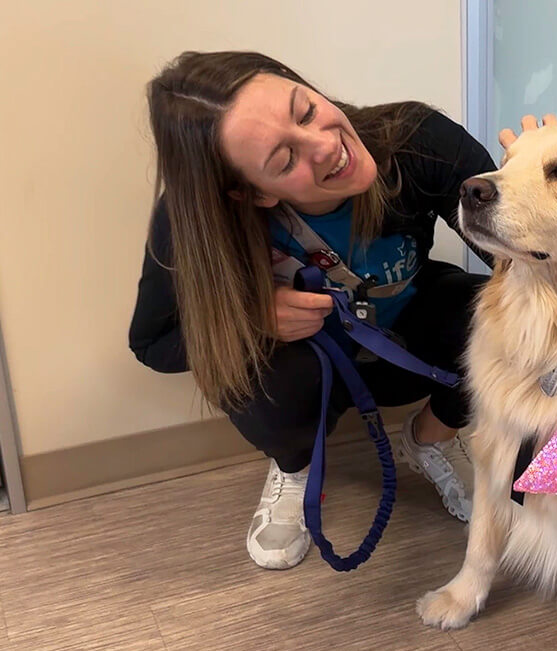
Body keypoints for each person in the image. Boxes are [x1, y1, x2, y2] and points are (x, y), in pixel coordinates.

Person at [129, 51, 498, 569]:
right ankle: (294, 465)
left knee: (496, 323)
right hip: (312, 370)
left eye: (305, 110)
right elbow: (152, 344)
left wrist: (546, 194)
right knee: (249, 375)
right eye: (284, 161)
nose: (328, 146)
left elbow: (520, 271)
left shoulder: (417, 141)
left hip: (408, 341)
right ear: (250, 193)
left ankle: (429, 440)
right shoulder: (193, 224)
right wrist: (253, 320)